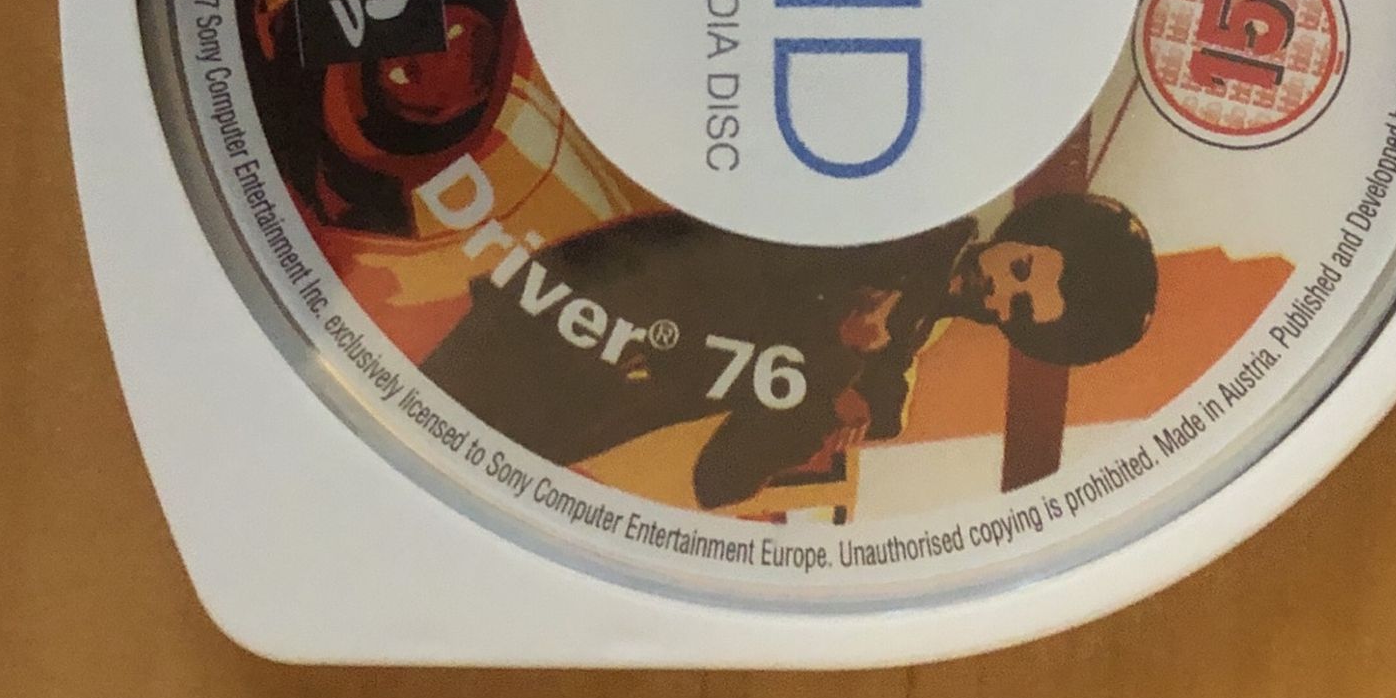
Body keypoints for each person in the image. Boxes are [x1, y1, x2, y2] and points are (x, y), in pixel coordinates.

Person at [418, 192, 1159, 510]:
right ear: (1021, 234)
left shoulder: (883, 388)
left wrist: (828, 408)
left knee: (436, 468)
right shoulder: (906, 213)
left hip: (597, 404)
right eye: (1021, 269)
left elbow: (720, 477)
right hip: (574, 301)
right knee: (424, 408)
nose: (1000, 292)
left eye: (1020, 309)